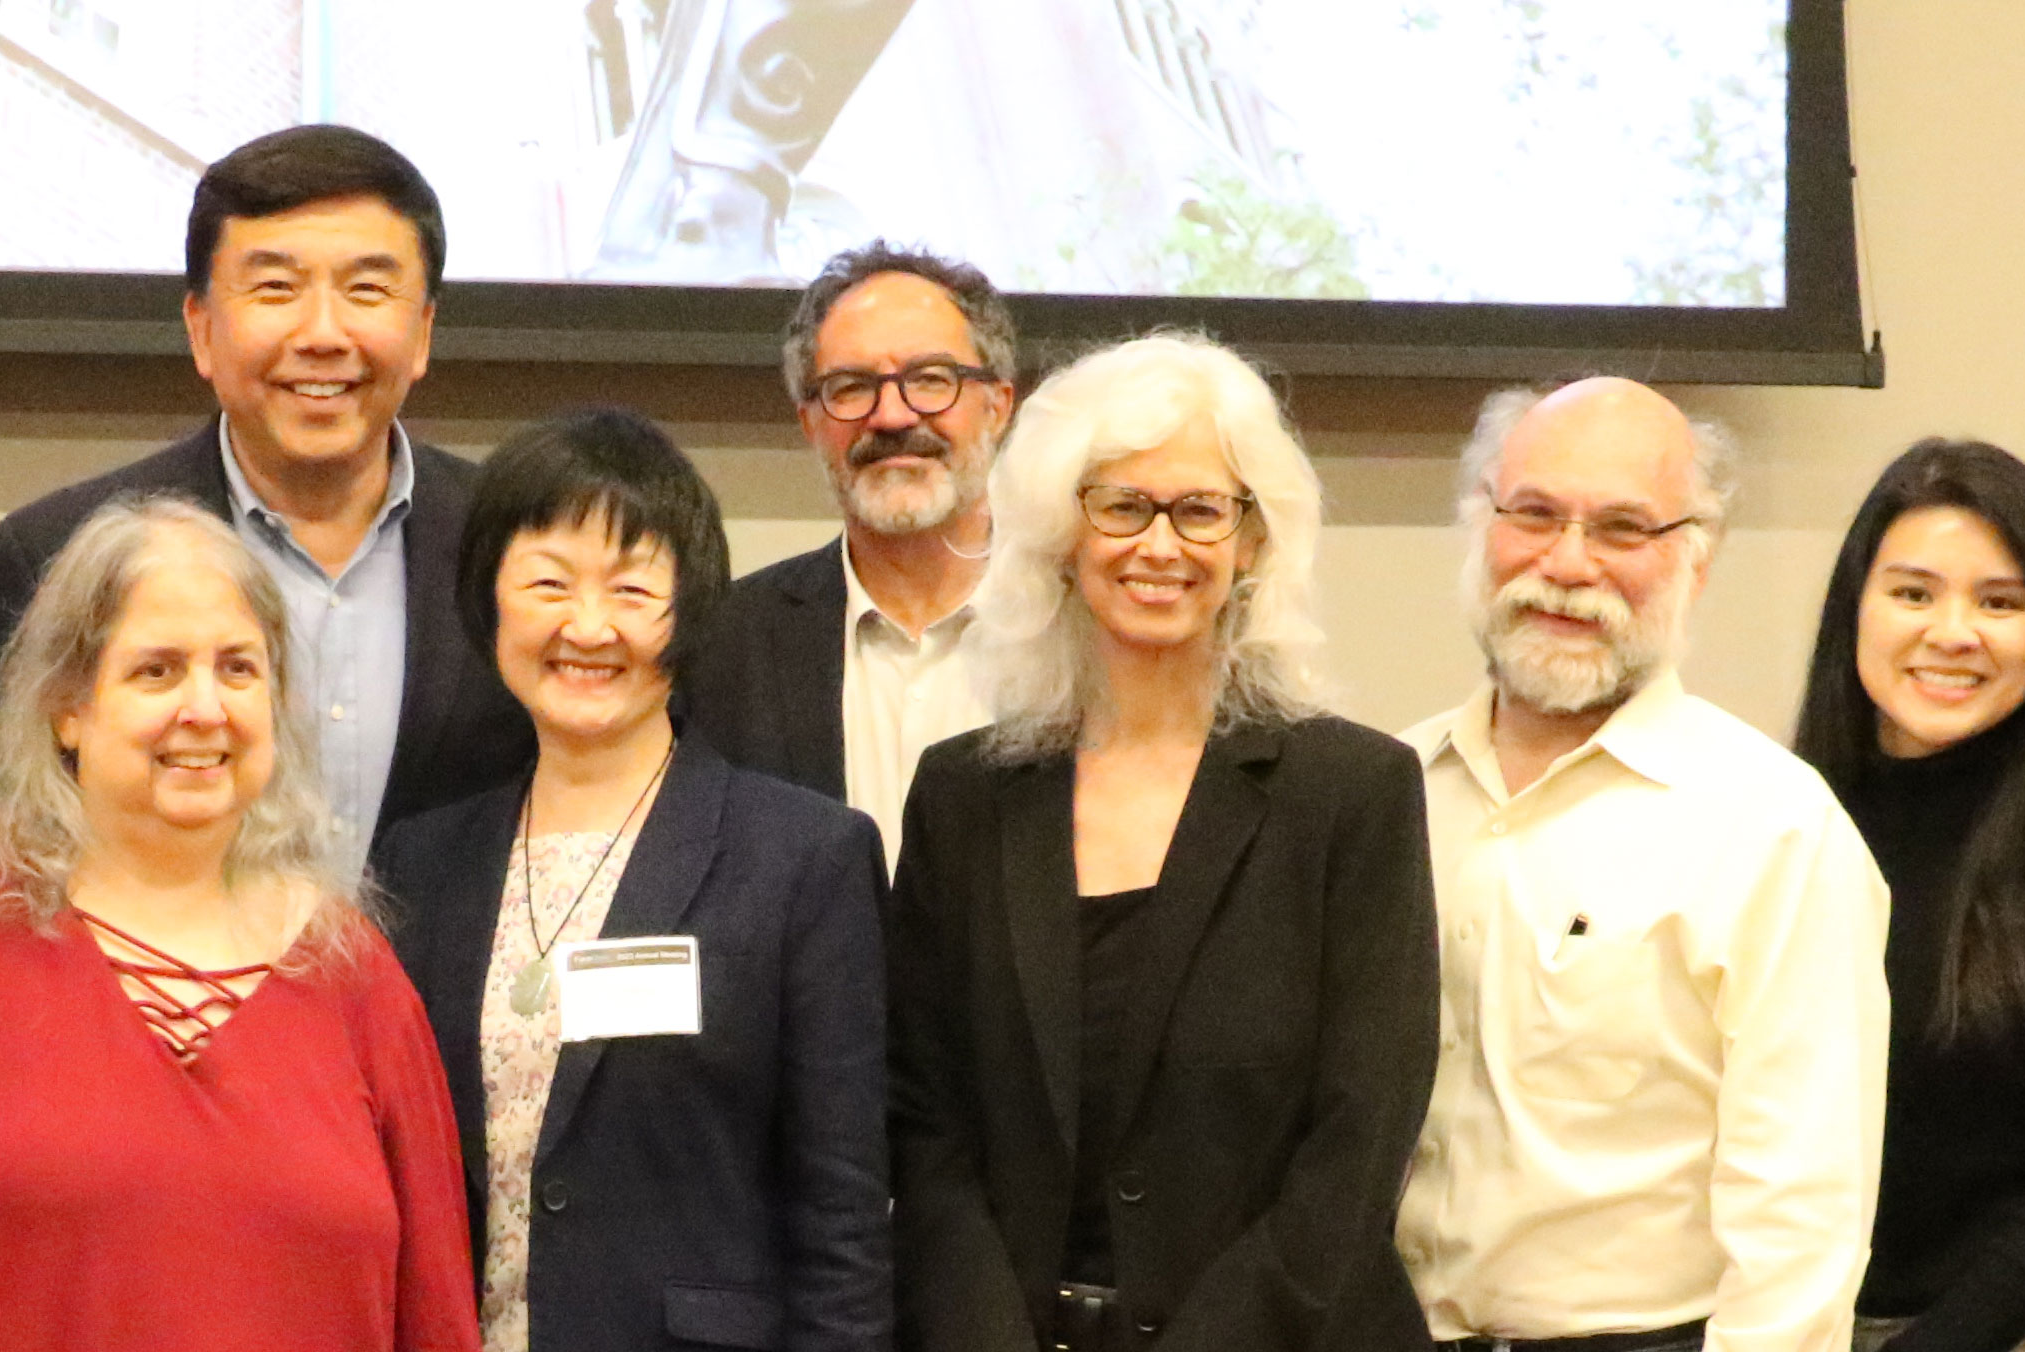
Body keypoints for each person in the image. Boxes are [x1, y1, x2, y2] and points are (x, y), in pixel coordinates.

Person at [0, 499, 480, 1351]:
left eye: (237, 669)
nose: (204, 708)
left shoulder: (355, 979)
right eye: (156, 671)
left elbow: (435, 1318)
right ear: (67, 705)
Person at [883, 334, 1441, 1351]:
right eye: (1121, 505)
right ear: (1061, 531)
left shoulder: (1351, 793)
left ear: (1252, 542)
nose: (1159, 545)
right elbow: (923, 1124)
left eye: (1198, 509)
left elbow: (1357, 1142)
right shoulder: (961, 798)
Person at [371, 409, 896, 1352]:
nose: (587, 625)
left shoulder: (801, 858)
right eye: (545, 582)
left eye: (631, 588)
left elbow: (842, 1221)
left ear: (690, 610)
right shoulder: (420, 862)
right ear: (488, 601)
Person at [1392, 377, 1885, 1352]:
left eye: (1621, 528)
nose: (1566, 563)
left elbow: (1798, 1224)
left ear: (1694, 561)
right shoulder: (1386, 791)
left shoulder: (1772, 829)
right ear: (1479, 526)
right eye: (1532, 513)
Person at [0, 124, 531, 853]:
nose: (322, 333)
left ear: (422, 333)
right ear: (200, 328)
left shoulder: (519, 544)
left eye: (367, 290)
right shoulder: (52, 555)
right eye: (276, 288)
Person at [1786, 442, 2025, 1352]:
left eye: (1998, 601)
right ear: (1855, 609)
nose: (1953, 631)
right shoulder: (1770, 832)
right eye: (1913, 592)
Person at [672, 244, 1017, 859]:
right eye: (851, 387)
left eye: (931, 379)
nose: (890, 415)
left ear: (998, 405)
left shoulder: (1084, 629)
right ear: (808, 421)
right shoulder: (721, 646)